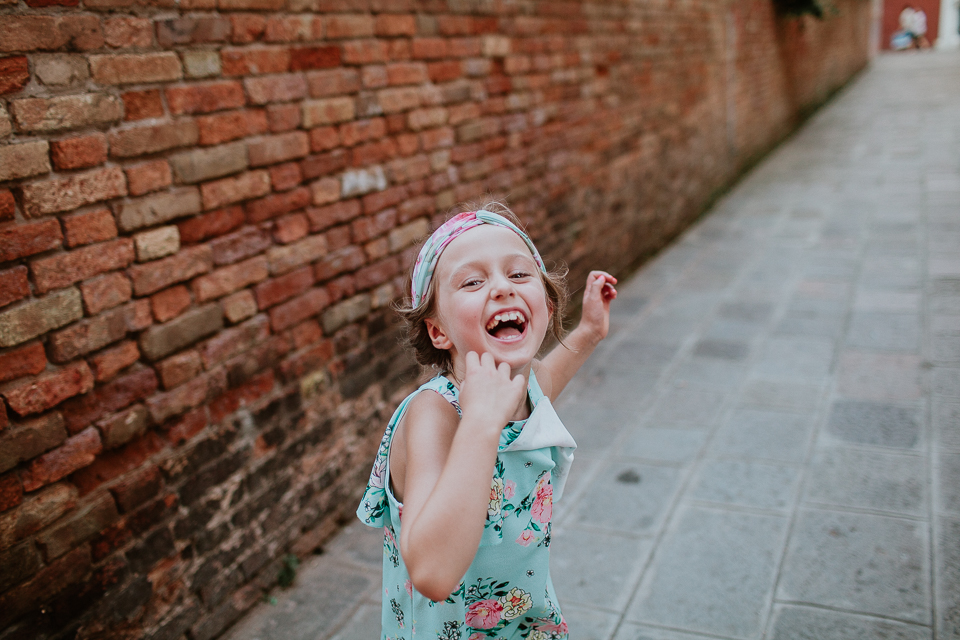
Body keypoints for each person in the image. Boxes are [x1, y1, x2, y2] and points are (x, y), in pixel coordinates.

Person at [357, 204, 617, 639]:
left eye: (518, 275)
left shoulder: (523, 384)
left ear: (547, 305)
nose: (502, 288)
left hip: (523, 622)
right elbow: (432, 574)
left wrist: (589, 331)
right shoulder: (434, 415)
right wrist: (480, 421)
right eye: (473, 282)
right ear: (438, 331)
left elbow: (548, 378)